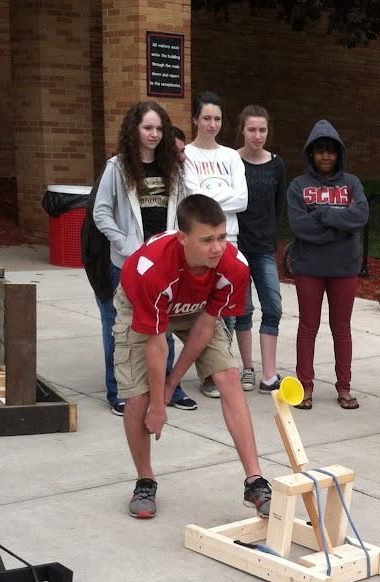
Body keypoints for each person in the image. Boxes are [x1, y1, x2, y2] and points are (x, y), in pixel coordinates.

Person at [115, 194, 271, 519]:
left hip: (195, 307)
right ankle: (145, 480)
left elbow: (204, 328)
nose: (217, 247)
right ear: (183, 238)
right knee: (138, 400)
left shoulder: (234, 266)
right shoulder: (153, 270)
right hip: (143, 304)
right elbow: (157, 345)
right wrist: (159, 404)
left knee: (229, 375)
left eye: (221, 237)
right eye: (207, 240)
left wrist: (174, 382)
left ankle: (255, 481)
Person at [91, 100, 197, 416]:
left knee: (163, 325)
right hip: (126, 263)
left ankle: (169, 389)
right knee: (120, 328)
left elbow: (186, 208)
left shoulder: (174, 167)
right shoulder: (117, 166)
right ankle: (118, 392)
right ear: (134, 129)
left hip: (163, 262)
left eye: (159, 128)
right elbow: (101, 212)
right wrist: (127, 244)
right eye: (147, 127)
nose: (153, 134)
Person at [287, 120, 368, 411]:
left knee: (341, 328)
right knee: (308, 327)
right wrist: (338, 223)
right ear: (311, 153)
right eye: (319, 151)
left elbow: (359, 216)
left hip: (344, 267)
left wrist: (321, 214)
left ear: (338, 154)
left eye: (330, 151)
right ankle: (305, 387)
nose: (325, 156)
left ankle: (344, 387)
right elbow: (300, 227)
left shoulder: (352, 183)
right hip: (308, 266)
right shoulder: (298, 186)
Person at [183, 92, 246, 398]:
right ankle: (204, 371)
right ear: (195, 119)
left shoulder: (232, 156)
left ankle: (218, 372)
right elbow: (192, 201)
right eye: (206, 118)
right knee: (201, 308)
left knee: (227, 310)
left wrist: (210, 202)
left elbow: (243, 199)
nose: (212, 124)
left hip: (229, 239)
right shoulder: (188, 156)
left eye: (217, 119)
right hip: (199, 243)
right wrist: (223, 200)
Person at [234, 105, 286, 393]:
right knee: (243, 310)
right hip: (237, 247)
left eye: (262, 130)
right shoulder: (231, 160)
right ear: (242, 129)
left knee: (273, 307)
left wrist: (269, 235)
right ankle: (249, 369)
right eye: (252, 129)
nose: (257, 135)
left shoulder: (276, 164)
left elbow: (278, 207)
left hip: (264, 247)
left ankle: (270, 374)